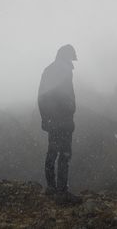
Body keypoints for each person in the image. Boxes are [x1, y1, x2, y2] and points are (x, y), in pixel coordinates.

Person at [38, 44, 82, 204]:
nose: (72, 61)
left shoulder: (48, 70)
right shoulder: (64, 70)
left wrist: (46, 119)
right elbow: (65, 96)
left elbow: (41, 97)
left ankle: (51, 188)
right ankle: (62, 193)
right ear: (68, 56)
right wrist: (70, 109)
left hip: (52, 121)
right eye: (72, 57)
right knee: (64, 155)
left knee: (52, 153)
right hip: (63, 121)